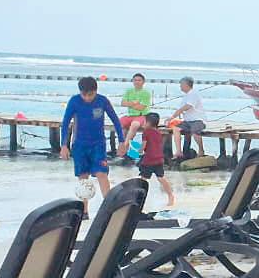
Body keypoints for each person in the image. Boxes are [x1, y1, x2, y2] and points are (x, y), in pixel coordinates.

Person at [60, 76, 125, 216]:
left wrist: (121, 141)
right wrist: (64, 145)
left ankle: (109, 208)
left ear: (96, 91)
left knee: (102, 173)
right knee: (83, 176)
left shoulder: (102, 101)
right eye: (84, 95)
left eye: (90, 94)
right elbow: (65, 123)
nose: (87, 98)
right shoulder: (74, 101)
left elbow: (115, 120)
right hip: (79, 145)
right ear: (80, 92)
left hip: (98, 144)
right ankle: (84, 211)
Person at [136, 112, 175, 208]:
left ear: (149, 123)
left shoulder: (146, 132)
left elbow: (143, 146)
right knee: (161, 178)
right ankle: (170, 195)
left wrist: (138, 151)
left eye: (144, 122)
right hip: (159, 159)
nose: (143, 124)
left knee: (143, 179)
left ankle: (139, 198)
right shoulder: (158, 132)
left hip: (149, 160)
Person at [167, 76, 205, 160]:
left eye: (181, 84)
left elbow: (187, 107)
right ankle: (179, 151)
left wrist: (173, 116)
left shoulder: (193, 94)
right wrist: (173, 118)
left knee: (195, 131)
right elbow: (182, 110)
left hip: (198, 120)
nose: (180, 86)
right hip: (187, 121)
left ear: (185, 84)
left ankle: (201, 150)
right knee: (176, 129)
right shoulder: (186, 95)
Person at [121, 72, 153, 138]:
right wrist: (134, 103)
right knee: (119, 123)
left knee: (134, 125)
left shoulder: (146, 93)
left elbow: (141, 108)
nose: (137, 82)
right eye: (135, 80)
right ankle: (122, 141)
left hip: (142, 116)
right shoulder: (128, 91)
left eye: (139, 80)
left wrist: (129, 104)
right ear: (133, 81)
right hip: (130, 115)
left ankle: (127, 142)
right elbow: (123, 103)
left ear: (143, 82)